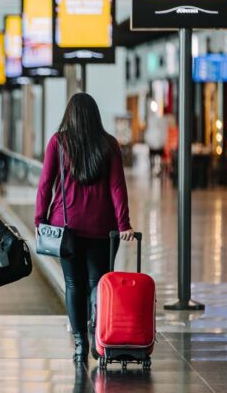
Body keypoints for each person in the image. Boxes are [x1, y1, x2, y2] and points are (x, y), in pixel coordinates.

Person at [34, 93, 135, 363]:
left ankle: (80, 342)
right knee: (98, 285)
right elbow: (117, 188)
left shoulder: (58, 142)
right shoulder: (109, 144)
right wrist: (123, 223)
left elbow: (45, 184)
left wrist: (39, 220)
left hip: (66, 229)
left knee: (72, 284)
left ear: (70, 115)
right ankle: (97, 334)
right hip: (102, 227)